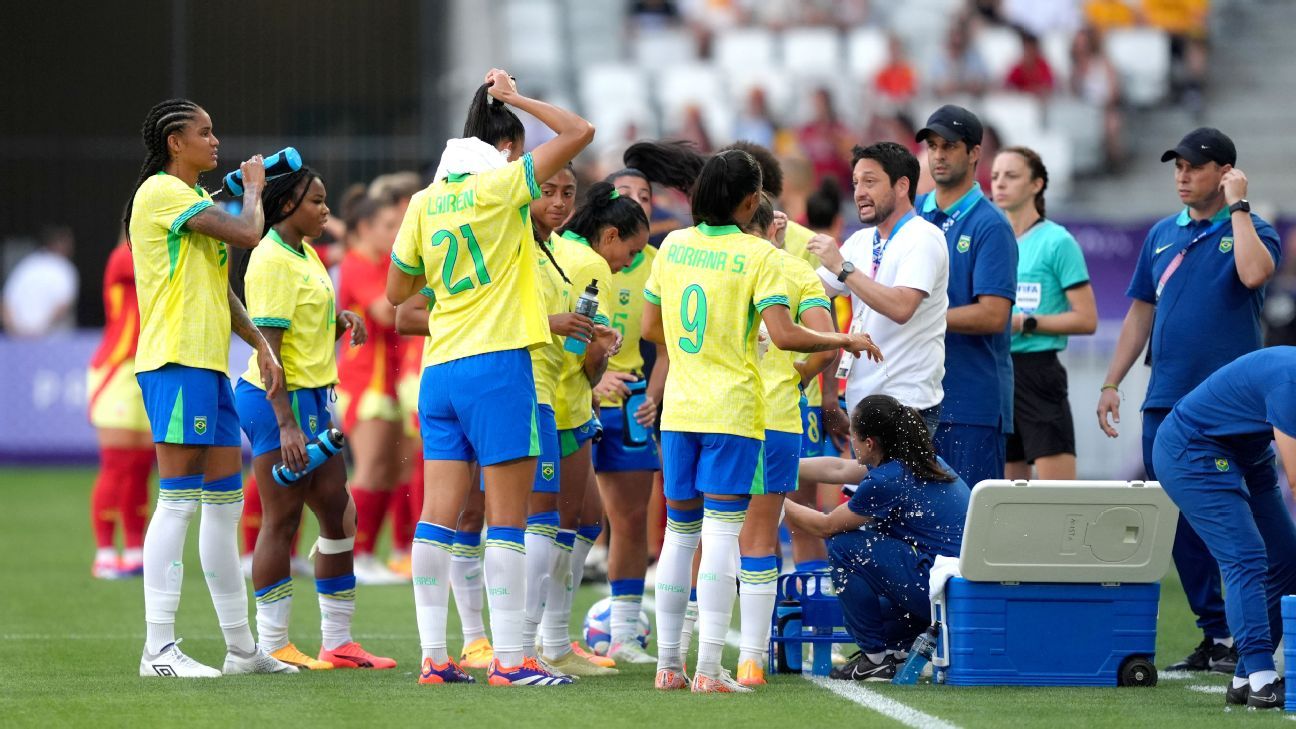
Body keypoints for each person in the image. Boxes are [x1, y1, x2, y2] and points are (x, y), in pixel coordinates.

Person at [643, 147, 881, 694]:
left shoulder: (673, 244)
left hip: (681, 407)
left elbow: (651, 327)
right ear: (752, 200)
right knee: (727, 537)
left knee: (680, 537)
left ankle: (668, 665)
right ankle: (709, 670)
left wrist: (695, 349)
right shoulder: (760, 258)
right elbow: (788, 334)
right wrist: (843, 337)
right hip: (733, 410)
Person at [386, 68, 594, 687]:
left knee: (436, 517)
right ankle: (510, 660)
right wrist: (516, 96)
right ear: (499, 156)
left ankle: (435, 657)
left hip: (440, 370)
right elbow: (580, 130)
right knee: (507, 520)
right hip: (500, 365)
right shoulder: (502, 187)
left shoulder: (424, 202)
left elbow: (399, 294)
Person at [1097, 127, 1280, 674]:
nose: (1181, 175)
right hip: (1166, 401)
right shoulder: (1160, 235)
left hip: (1234, 408)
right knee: (1173, 520)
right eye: (1177, 165)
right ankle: (1217, 634)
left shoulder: (1252, 228)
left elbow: (1253, 273)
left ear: (1225, 173)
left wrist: (1239, 206)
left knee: (1252, 517)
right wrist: (1111, 382)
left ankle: (1265, 626)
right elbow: (1138, 314)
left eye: (1194, 166)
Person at [124, 98, 290, 677]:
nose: (216, 141)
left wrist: (262, 347)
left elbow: (220, 291)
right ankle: (158, 649)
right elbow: (249, 232)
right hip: (175, 362)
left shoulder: (193, 201)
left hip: (208, 365)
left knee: (224, 505)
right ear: (175, 142)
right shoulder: (162, 194)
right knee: (177, 503)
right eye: (205, 132)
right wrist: (252, 188)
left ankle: (242, 650)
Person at [235, 166, 395, 671]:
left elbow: (302, 331)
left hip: (309, 398)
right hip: (276, 401)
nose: (327, 210)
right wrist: (285, 425)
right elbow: (269, 354)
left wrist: (337, 321)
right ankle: (274, 644)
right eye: (317, 202)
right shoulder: (271, 260)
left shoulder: (304, 253)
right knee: (281, 519)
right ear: (285, 207)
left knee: (338, 513)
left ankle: (338, 642)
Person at [784, 395, 969, 682]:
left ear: (869, 443)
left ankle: (875, 660)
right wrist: (777, 464)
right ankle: (898, 649)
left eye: (853, 436)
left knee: (845, 546)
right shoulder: (916, 460)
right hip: (955, 592)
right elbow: (838, 469)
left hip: (939, 588)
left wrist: (769, 497)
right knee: (873, 618)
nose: (851, 442)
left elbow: (825, 526)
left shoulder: (886, 480)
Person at [1152, 348, 1296, 710]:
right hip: (1192, 448)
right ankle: (1264, 680)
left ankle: (1245, 676)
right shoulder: (1289, 381)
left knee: (1288, 558)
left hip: (1245, 450)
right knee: (1245, 556)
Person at [542, 182, 645, 676]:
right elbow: (580, 356)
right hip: (563, 406)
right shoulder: (590, 266)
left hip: (561, 405)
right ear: (609, 235)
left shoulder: (563, 248)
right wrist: (603, 351)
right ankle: (545, 639)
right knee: (563, 524)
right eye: (632, 249)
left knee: (584, 520)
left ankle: (552, 638)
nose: (630, 260)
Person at [735, 193, 837, 687]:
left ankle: (688, 653)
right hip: (779, 408)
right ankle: (777, 643)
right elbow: (825, 339)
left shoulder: (703, 257)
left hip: (715, 411)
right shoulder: (793, 269)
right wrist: (805, 376)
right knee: (778, 519)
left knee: (706, 527)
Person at [809, 141, 950, 433]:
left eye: (870, 182)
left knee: (879, 480)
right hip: (863, 402)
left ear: (901, 186)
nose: (859, 192)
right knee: (855, 479)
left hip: (907, 406)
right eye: (856, 182)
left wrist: (843, 269)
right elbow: (811, 293)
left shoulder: (923, 237)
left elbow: (901, 307)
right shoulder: (861, 240)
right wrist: (772, 247)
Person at [914, 105, 1018, 490]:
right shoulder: (913, 216)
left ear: (975, 153)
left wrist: (917, 315)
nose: (938, 155)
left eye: (950, 146)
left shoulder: (990, 224)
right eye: (933, 146)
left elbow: (993, 315)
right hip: (913, 396)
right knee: (916, 529)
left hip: (971, 401)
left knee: (968, 528)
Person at [594, 166, 670, 665]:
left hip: (634, 402)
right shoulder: (572, 256)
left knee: (629, 519)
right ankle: (538, 633)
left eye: (645, 194)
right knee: (564, 519)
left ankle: (623, 633)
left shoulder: (660, 261)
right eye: (627, 193)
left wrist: (655, 396)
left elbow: (665, 345)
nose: (637, 201)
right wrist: (592, 379)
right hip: (574, 397)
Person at [991, 147, 1096, 480]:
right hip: (996, 372)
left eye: (1011, 175)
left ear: (1036, 184)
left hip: (1038, 372)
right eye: (994, 177)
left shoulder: (1057, 241)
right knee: (1007, 497)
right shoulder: (992, 239)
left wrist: (1026, 322)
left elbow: (1086, 318)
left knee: (1057, 495)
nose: (999, 184)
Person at [336, 195, 409, 585]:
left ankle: (366, 554)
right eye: (387, 226)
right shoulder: (357, 263)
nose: (395, 234)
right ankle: (353, 554)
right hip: (365, 378)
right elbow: (383, 312)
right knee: (368, 469)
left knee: (385, 472)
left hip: (391, 381)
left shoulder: (383, 263)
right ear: (365, 229)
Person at [87, 237, 154, 579]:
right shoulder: (123, 255)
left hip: (152, 367)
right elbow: (156, 260)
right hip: (118, 369)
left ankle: (134, 550)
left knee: (142, 465)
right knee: (117, 463)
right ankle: (104, 553)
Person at [2, 225, 78, 336]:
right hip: (52, 343)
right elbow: (64, 304)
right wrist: (38, 332)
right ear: (61, 244)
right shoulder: (64, 268)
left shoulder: (26, 264)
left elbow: (4, 304)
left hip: (20, 340)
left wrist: (16, 332)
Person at [1004, 29, 1055, 97]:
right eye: (1027, 49)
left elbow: (1048, 86)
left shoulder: (1043, 65)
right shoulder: (1019, 67)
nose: (1029, 52)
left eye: (1031, 49)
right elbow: (1008, 86)